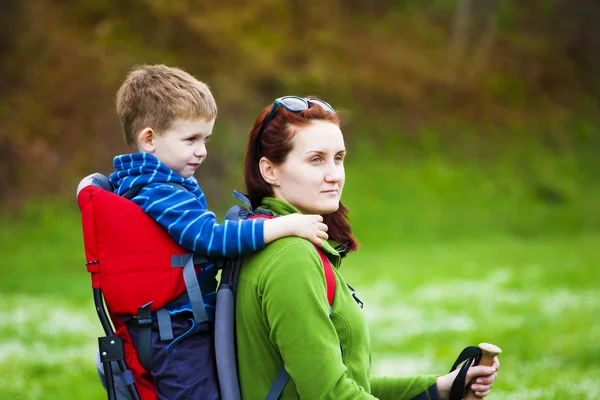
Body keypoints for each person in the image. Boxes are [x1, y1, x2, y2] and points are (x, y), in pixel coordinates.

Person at [234, 96, 500, 399]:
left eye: (338, 158)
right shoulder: (291, 257)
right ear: (270, 171)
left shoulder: (264, 239)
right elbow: (330, 395)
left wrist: (440, 388)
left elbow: (342, 385)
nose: (334, 174)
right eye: (316, 159)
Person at [102, 67, 328, 399]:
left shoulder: (155, 181)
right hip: (177, 335)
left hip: (177, 326)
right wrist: (285, 225)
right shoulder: (159, 190)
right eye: (191, 139)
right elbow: (209, 238)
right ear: (149, 139)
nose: (202, 150)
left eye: (205, 138)